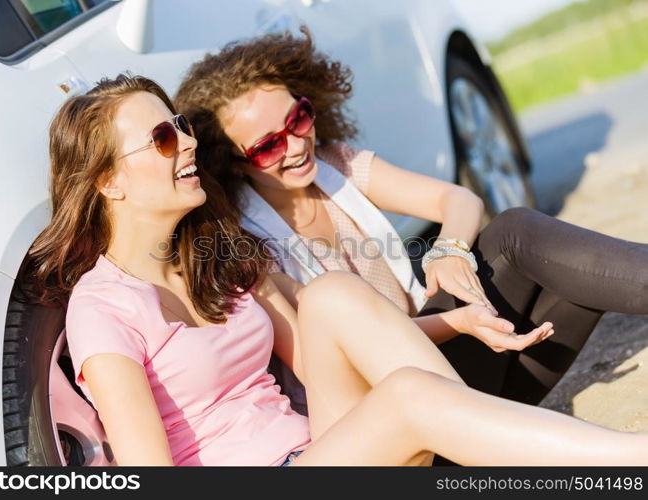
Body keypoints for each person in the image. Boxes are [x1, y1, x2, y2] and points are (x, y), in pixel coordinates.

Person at [27, 74, 648, 467]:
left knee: (330, 295)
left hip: (323, 449)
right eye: (162, 138)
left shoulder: (217, 254)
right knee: (407, 396)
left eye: (182, 127)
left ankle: (472, 459)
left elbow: (335, 354)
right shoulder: (102, 308)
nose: (186, 142)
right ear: (108, 180)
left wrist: (459, 317)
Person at [173, 29, 648, 413]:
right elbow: (345, 361)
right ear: (233, 162)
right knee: (516, 235)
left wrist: (449, 249)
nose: (296, 144)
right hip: (398, 407)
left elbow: (456, 198)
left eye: (298, 118)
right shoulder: (246, 247)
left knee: (566, 270)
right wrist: (459, 321)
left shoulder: (337, 164)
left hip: (453, 373)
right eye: (268, 145)